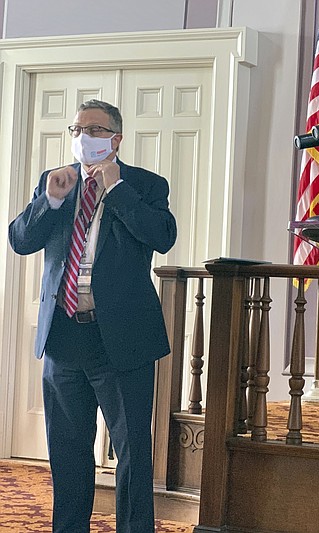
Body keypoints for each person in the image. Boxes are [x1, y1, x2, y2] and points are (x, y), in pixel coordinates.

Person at [8, 99, 177, 533]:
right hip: (64, 339)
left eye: (95, 130)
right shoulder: (57, 182)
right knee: (67, 452)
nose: (84, 136)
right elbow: (21, 240)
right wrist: (49, 198)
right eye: (78, 128)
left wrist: (118, 191)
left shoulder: (144, 184)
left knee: (132, 451)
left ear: (116, 139)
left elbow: (162, 237)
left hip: (121, 340)